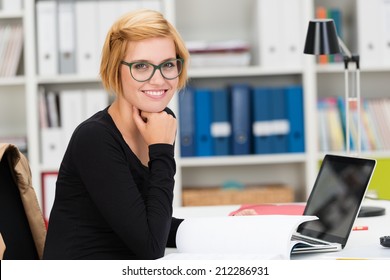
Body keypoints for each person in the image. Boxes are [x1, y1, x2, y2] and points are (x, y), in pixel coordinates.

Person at [43, 9, 189, 260]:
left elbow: (151, 223)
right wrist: (162, 151)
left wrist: (220, 228)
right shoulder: (95, 138)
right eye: (141, 66)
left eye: (167, 65)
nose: (159, 79)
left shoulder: (160, 122)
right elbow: (150, 246)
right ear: (115, 70)